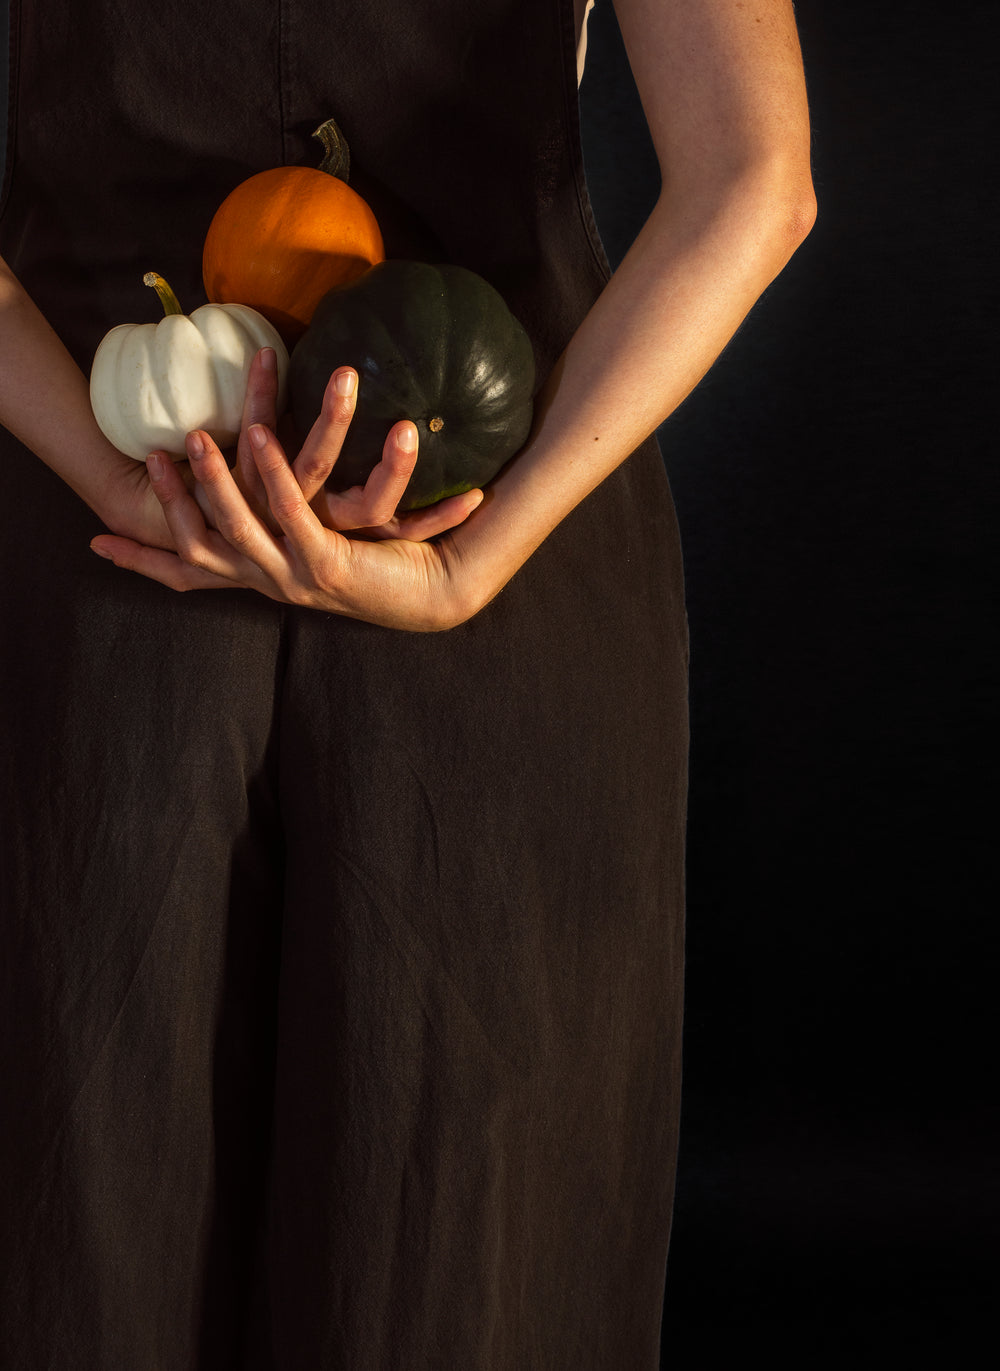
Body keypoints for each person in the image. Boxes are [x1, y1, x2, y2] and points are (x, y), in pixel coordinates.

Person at [0, 0, 814, 1366]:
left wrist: (121, 480)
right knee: (460, 1263)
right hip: (480, 505)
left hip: (116, 501)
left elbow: (757, 187)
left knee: (71, 1224)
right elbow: (758, 178)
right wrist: (474, 558)